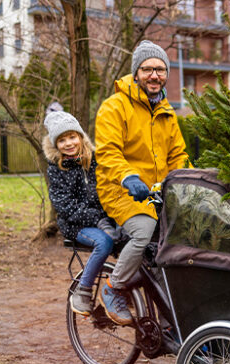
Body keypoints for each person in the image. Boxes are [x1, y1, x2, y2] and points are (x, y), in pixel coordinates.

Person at [95, 40, 192, 325]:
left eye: (160, 69)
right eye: (148, 68)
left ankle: (169, 312)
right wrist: (128, 176)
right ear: (136, 73)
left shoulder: (166, 111)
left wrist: (190, 181)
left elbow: (178, 154)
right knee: (145, 230)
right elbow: (107, 152)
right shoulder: (114, 107)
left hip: (156, 192)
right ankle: (113, 288)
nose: (154, 75)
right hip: (120, 189)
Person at [43, 108, 125, 317]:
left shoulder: (95, 160)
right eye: (62, 140)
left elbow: (109, 188)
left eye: (72, 137)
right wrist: (98, 220)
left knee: (134, 239)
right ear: (56, 145)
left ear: (80, 136)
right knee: (104, 242)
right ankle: (83, 290)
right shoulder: (56, 168)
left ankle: (123, 291)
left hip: (104, 218)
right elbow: (64, 206)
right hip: (76, 224)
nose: (69, 143)